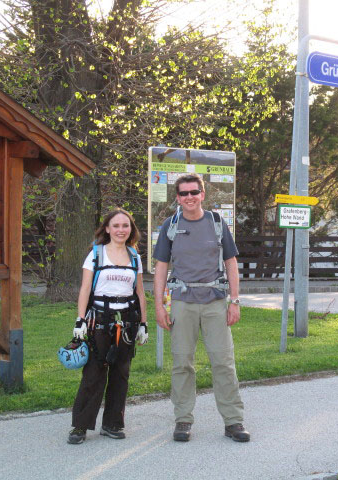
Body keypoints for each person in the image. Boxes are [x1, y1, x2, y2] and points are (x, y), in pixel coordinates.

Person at [152, 174, 249, 443]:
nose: (189, 197)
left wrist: (235, 300)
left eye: (194, 192)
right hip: (182, 302)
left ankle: (233, 421)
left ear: (203, 194)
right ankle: (183, 420)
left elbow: (231, 262)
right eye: (183, 194)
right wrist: (159, 305)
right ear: (178, 198)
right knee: (182, 363)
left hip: (215, 301)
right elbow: (161, 267)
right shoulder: (170, 226)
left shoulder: (217, 224)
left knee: (223, 363)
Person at [67, 209, 148, 445]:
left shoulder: (135, 257)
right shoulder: (95, 254)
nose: (121, 230)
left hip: (128, 321)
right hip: (99, 321)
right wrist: (80, 320)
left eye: (125, 226)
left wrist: (143, 323)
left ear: (131, 229)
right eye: (116, 226)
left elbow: (140, 293)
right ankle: (80, 426)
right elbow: (85, 289)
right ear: (107, 229)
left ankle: (113, 424)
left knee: (121, 373)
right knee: (94, 371)